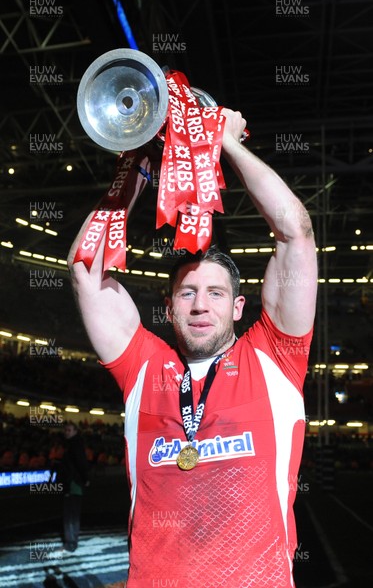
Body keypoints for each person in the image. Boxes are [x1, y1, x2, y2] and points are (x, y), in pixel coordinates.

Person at [68, 109, 317, 587]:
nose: (201, 305)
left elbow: (295, 233)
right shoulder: (145, 368)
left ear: (239, 306)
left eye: (215, 293)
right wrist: (137, 164)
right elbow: (85, 270)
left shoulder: (274, 357)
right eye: (187, 293)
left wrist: (225, 145)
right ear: (169, 306)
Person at [59, 421, 90, 552]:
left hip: (73, 483)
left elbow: (80, 463)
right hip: (74, 482)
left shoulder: (74, 445)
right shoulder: (73, 444)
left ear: (75, 431)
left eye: (69, 430)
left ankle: (71, 542)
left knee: (70, 514)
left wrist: (85, 478)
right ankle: (72, 540)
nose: (67, 432)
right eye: (65, 430)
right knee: (73, 513)